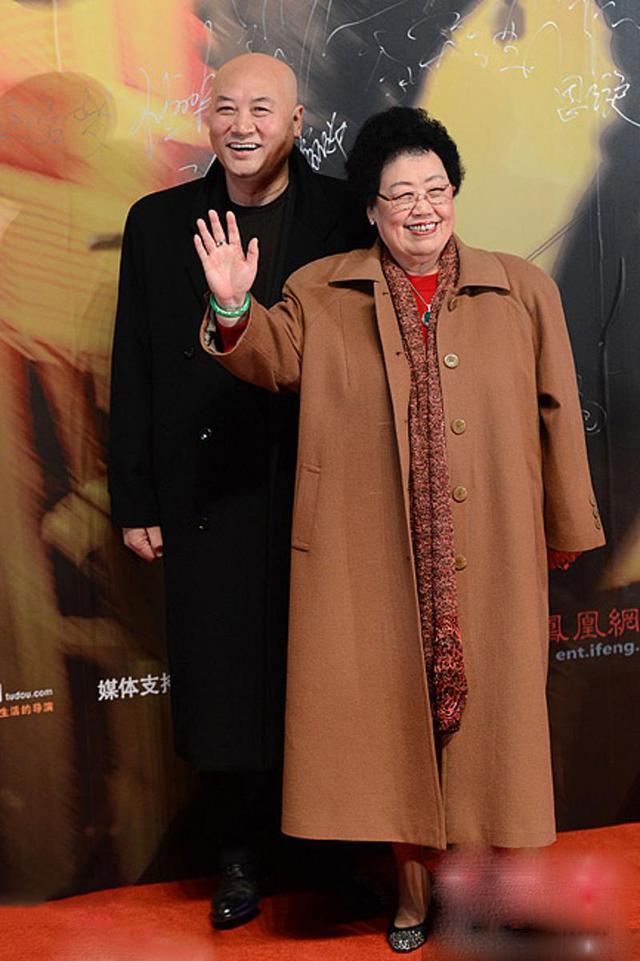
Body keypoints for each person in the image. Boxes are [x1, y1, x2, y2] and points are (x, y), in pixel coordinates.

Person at [193, 105, 605, 952]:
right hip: (371, 552)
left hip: (492, 546)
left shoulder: (522, 289)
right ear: (372, 209)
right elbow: (272, 356)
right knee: (392, 729)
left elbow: (558, 412)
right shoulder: (320, 289)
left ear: (455, 194)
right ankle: (412, 895)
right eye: (401, 194)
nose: (422, 208)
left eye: (436, 189)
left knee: (495, 731)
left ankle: (486, 889)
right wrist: (233, 305)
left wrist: (565, 522)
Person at [108, 52, 370, 927]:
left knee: (326, 668)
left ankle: (334, 850)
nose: (243, 124)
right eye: (226, 107)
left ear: (298, 121)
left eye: (264, 108)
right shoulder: (156, 223)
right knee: (222, 677)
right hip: (206, 487)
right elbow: (135, 363)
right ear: (206, 117)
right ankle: (239, 855)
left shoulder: (347, 214)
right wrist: (137, 498)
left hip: (322, 479)